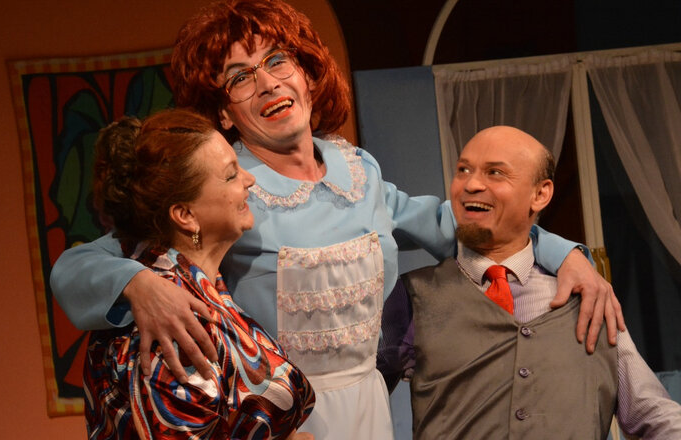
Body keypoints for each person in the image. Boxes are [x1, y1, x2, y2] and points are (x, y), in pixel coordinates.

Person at [51, 1, 623, 438]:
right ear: (223, 111)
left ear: (306, 73)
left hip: (369, 405)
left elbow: (462, 226)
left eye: (277, 61)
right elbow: (79, 265)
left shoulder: (358, 171)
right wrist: (138, 283)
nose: (267, 83)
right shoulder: (225, 189)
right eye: (240, 76)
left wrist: (565, 253)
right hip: (284, 416)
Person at [402, 126, 681, 439]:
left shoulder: (588, 296)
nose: (471, 184)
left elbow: (652, 414)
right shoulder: (412, 297)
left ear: (540, 194)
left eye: (495, 173)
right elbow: (360, 394)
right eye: (463, 170)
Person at [83, 108, 315, 439]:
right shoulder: (170, 324)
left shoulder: (206, 288)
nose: (249, 180)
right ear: (185, 215)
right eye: (231, 175)